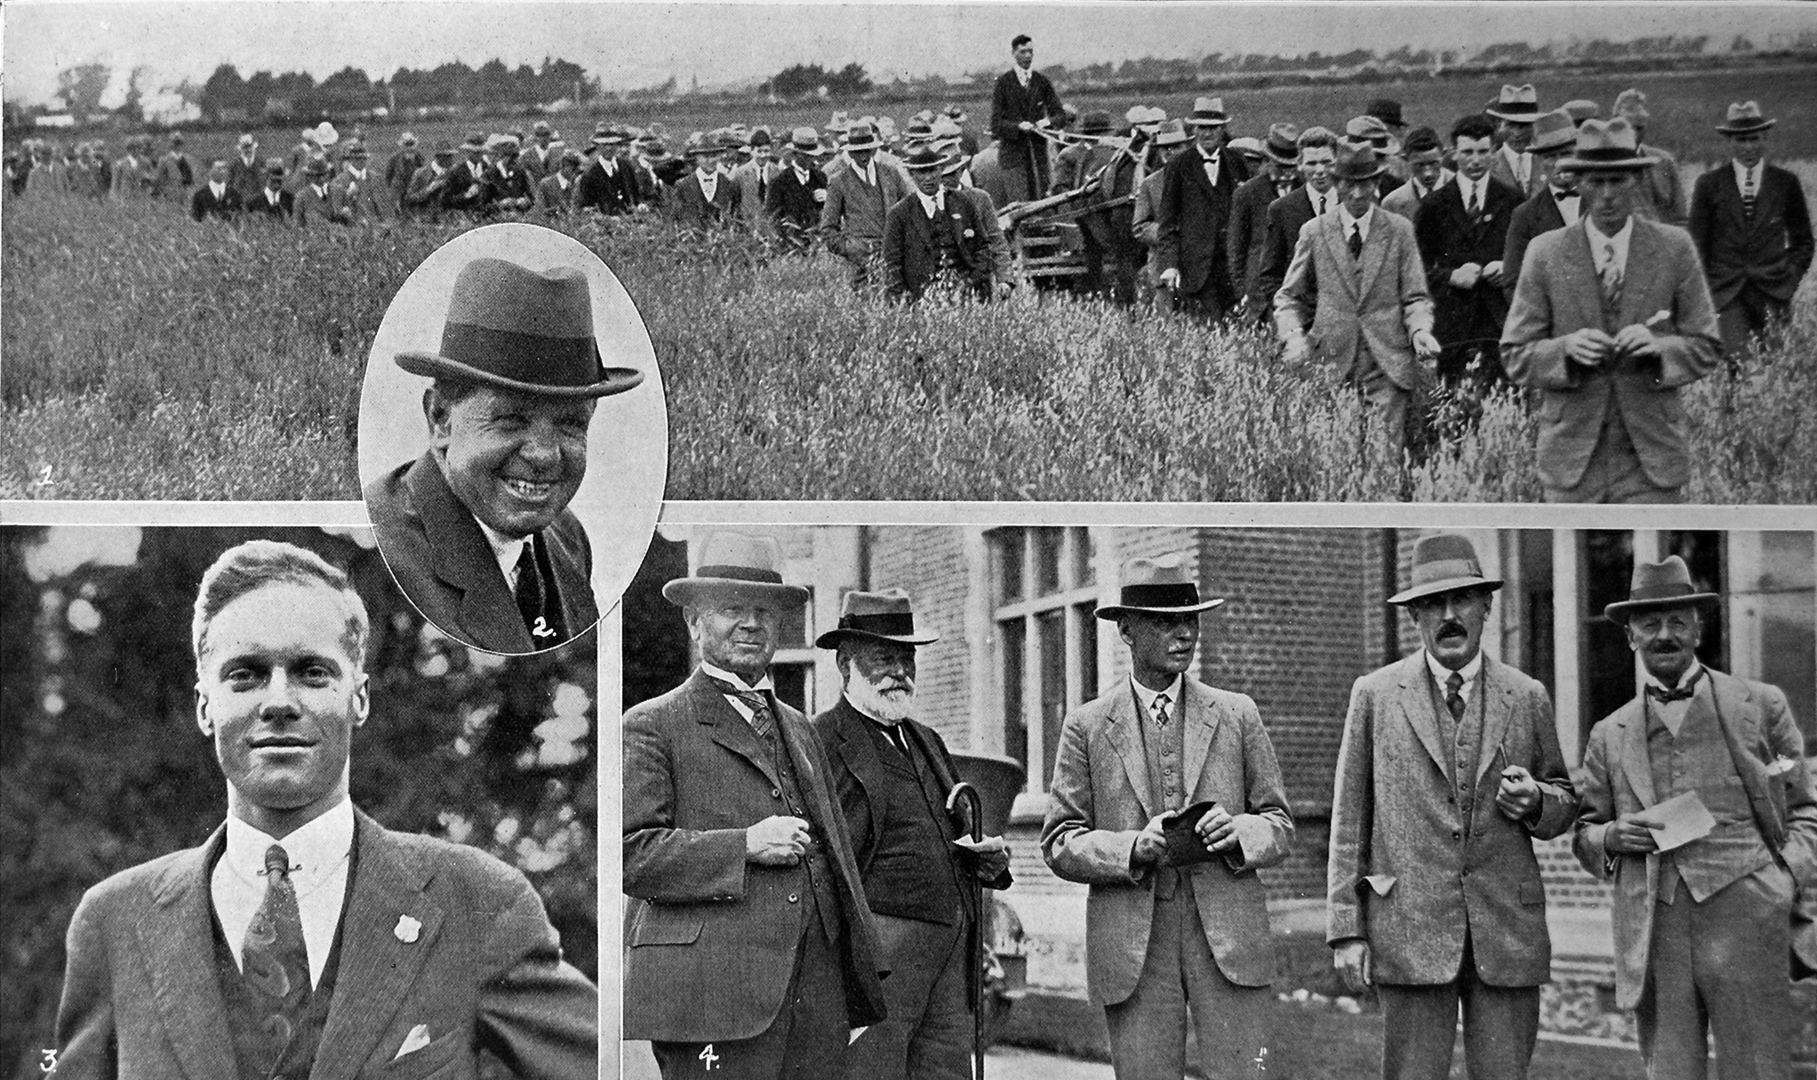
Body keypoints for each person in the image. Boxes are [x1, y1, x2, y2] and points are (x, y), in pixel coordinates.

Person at [52, 539, 598, 1080]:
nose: (279, 702)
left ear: (357, 698)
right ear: (205, 706)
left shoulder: (476, 903)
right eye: (246, 674)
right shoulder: (113, 923)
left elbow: (616, 1066)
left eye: (313, 672)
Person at [623, 533, 887, 1079]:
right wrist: (744, 846)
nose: (750, 624)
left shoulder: (799, 727)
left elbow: (836, 858)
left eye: (764, 611)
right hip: (712, 996)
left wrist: (851, 981)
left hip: (817, 997)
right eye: (731, 609)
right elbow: (630, 854)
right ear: (695, 623)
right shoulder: (651, 724)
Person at [1328, 532, 1577, 1080]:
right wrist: (1347, 928)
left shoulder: (1526, 694)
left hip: (1506, 930)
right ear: (1414, 616)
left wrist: (1537, 800)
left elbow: (1564, 801)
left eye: (1461, 599)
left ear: (1487, 605)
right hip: (1409, 928)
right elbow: (1350, 821)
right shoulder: (1374, 695)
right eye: (1432, 604)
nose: (1448, 615)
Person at [1044, 555, 1292, 1080]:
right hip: (1135, 945)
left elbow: (1279, 822)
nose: (1184, 634)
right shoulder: (1086, 726)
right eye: (1165, 621)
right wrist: (1132, 847)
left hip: (1227, 934)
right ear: (1127, 630)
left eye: (1191, 620)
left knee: (1250, 1072)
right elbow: (1059, 841)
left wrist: (1239, 831)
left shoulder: (1236, 713)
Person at [1573, 555, 1817, 1080]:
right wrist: (1612, 835)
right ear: (1630, 637)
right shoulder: (1608, 734)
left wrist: (1783, 878)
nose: (1665, 635)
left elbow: (1804, 808)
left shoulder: (1762, 706)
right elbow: (1585, 834)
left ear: (1698, 629)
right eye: (1650, 623)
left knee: (1759, 1069)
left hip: (1748, 911)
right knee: (1671, 1071)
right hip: (1657, 923)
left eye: (1678, 621)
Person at [364, 256, 642, 654]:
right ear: (441, 419)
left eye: (571, 425)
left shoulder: (567, 538)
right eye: (511, 419)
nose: (544, 455)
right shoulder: (385, 547)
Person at [810, 590, 1012, 1080]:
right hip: (878, 953)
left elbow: (957, 830)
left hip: (950, 953)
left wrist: (987, 858)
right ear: (845, 664)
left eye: (907, 658)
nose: (899, 672)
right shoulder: (820, 739)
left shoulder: (926, 738)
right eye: (884, 658)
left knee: (945, 1073)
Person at [1502, 118, 1721, 504]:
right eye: (1594, 182)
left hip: (1651, 459)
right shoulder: (1545, 252)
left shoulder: (1674, 248)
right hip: (1572, 462)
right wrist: (1564, 349)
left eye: (1617, 181)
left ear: (1635, 181)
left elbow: (1707, 345)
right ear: (1578, 181)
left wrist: (1660, 347)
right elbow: (1515, 355)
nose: (1606, 195)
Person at [1274, 142, 1441, 459]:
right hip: (1330, 363)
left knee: (1383, 459)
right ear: (1337, 185)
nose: (1358, 194)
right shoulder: (1315, 232)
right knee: (1336, 460)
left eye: (1366, 184)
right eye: (1350, 185)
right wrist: (1293, 336)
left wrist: (1420, 331)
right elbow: (1288, 298)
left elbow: (1416, 296)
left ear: (1377, 184)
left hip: (1386, 362)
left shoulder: (1399, 230)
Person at [1687, 101, 1814, 363]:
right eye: (1740, 140)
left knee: (1774, 369)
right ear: (1729, 141)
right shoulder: (1709, 185)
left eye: (1754, 139)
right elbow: (1696, 245)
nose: (1747, 147)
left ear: (1765, 138)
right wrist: (1709, 288)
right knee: (1738, 363)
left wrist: (1788, 278)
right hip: (1727, 292)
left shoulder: (1785, 183)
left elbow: (1803, 241)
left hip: (1774, 292)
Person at [1417, 114, 1523, 391]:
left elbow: (1530, 259)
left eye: (1482, 152)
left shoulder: (1513, 200)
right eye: (1467, 153)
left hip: (1500, 322)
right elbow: (1416, 269)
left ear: (1493, 152)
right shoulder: (1434, 205)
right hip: (1453, 325)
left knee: (1504, 402)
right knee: (1455, 406)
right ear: (1453, 153)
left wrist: (1508, 266)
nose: (1475, 161)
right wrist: (1451, 276)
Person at [1156, 97, 1251, 321]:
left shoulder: (1237, 162)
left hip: (1232, 266)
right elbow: (1167, 222)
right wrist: (1170, 265)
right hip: (1197, 268)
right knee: (1209, 326)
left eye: (1213, 128)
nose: (1207, 134)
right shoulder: (1178, 165)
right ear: (1194, 130)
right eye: (1202, 128)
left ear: (1222, 130)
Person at [882, 148, 1002, 302]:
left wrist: (972, 281)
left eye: (932, 170)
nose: (928, 178)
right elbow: (891, 262)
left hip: (967, 293)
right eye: (921, 172)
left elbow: (983, 246)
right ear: (912, 175)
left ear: (941, 170)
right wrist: (905, 300)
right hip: (923, 298)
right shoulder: (900, 213)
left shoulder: (962, 202)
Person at [1499, 110, 1582, 300]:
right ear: (1540, 161)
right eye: (1551, 156)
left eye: (1566, 154)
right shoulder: (1525, 215)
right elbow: (1513, 285)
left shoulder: (1598, 202)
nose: (1560, 163)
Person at [1255, 126, 1338, 316]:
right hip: (1301, 320)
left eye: (1327, 162)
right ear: (1299, 163)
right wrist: (1288, 314)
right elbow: (1270, 274)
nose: (1319, 170)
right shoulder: (1281, 210)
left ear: (1338, 162)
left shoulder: (1352, 203)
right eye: (1312, 163)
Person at [821, 120, 912, 291]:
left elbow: (909, 211)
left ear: (874, 149)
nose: (863, 157)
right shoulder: (839, 182)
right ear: (850, 153)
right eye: (858, 152)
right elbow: (828, 229)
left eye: (867, 151)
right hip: (860, 265)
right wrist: (851, 250)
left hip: (894, 258)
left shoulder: (890, 174)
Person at [1227, 123, 1301, 322]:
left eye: (1291, 166)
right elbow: (1236, 248)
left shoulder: (1305, 189)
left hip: (1296, 289)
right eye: (1281, 166)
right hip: (1258, 294)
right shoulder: (1247, 194)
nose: (1287, 172)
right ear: (1268, 160)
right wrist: (1242, 291)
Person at [990, 34, 1066, 203]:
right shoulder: (1003, 83)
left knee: (1043, 204)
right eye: (1023, 52)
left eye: (1031, 52)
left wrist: (1047, 122)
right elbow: (996, 125)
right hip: (1013, 159)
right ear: (1013, 53)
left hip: (1039, 159)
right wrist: (1018, 127)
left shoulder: (1041, 81)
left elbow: (1060, 115)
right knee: (1021, 208)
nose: (1028, 56)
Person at [1132, 121, 1192, 308]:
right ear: (1158, 151)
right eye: (1165, 148)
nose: (1170, 152)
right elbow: (1139, 227)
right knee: (1167, 324)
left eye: (1176, 146)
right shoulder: (1150, 184)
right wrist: (1168, 233)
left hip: (1197, 266)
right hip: (1163, 268)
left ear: (1186, 147)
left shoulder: (1201, 179)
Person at [1611, 89, 1687, 225]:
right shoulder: (1601, 164)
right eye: (1627, 128)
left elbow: (1680, 216)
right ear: (1614, 125)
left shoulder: (1664, 162)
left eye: (1639, 128)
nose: (1633, 135)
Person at [764, 128, 830, 252]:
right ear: (795, 154)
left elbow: (832, 214)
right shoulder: (779, 182)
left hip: (818, 246)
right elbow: (772, 218)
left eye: (812, 155)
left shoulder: (820, 178)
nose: (810, 159)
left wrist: (828, 198)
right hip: (790, 247)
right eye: (805, 156)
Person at [669, 131, 741, 228]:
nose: (710, 160)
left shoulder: (729, 184)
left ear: (720, 156)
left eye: (714, 156)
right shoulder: (683, 185)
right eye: (706, 157)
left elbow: (735, 215)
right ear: (697, 158)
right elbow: (675, 219)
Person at [1380, 126, 1451, 221]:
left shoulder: (1464, 191)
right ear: (1405, 159)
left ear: (1443, 154)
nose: (1428, 173)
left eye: (1434, 163)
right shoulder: (1392, 204)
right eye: (1419, 165)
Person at [1486, 85, 1546, 198]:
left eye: (1524, 125)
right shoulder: (1488, 166)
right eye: (1511, 125)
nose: (1517, 133)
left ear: (1535, 125)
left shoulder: (1547, 162)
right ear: (1499, 125)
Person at [576, 125, 640, 216]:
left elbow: (636, 194)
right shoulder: (589, 174)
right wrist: (605, 219)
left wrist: (640, 205)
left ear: (617, 145)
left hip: (630, 221)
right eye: (605, 144)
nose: (609, 148)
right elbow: (585, 207)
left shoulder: (626, 166)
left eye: (612, 144)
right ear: (597, 146)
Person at [328, 140, 388, 224]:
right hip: (352, 229)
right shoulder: (339, 181)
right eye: (357, 158)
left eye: (364, 158)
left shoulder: (376, 178)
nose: (362, 161)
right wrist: (347, 195)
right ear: (350, 160)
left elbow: (384, 207)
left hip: (376, 228)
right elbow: (336, 211)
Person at [383, 133, 424, 211]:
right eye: (407, 144)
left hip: (414, 189)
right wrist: (391, 189)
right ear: (403, 145)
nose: (409, 147)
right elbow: (388, 175)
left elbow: (423, 172)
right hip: (399, 189)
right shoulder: (394, 158)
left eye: (411, 144)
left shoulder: (419, 157)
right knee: (399, 212)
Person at [291, 158, 336, 227]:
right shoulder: (301, 197)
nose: (321, 178)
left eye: (323, 174)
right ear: (309, 176)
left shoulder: (336, 190)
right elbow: (297, 224)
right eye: (317, 176)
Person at [155, 131, 196, 201]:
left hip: (185, 195)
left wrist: (189, 193)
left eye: (179, 143)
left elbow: (191, 179)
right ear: (171, 144)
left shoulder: (188, 160)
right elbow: (160, 179)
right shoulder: (164, 160)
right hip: (170, 196)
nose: (177, 145)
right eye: (175, 143)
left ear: (182, 144)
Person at [227, 133, 265, 205]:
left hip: (259, 201)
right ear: (241, 149)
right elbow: (230, 184)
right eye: (245, 148)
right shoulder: (234, 165)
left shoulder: (262, 163)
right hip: (239, 202)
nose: (248, 150)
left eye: (250, 147)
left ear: (254, 148)